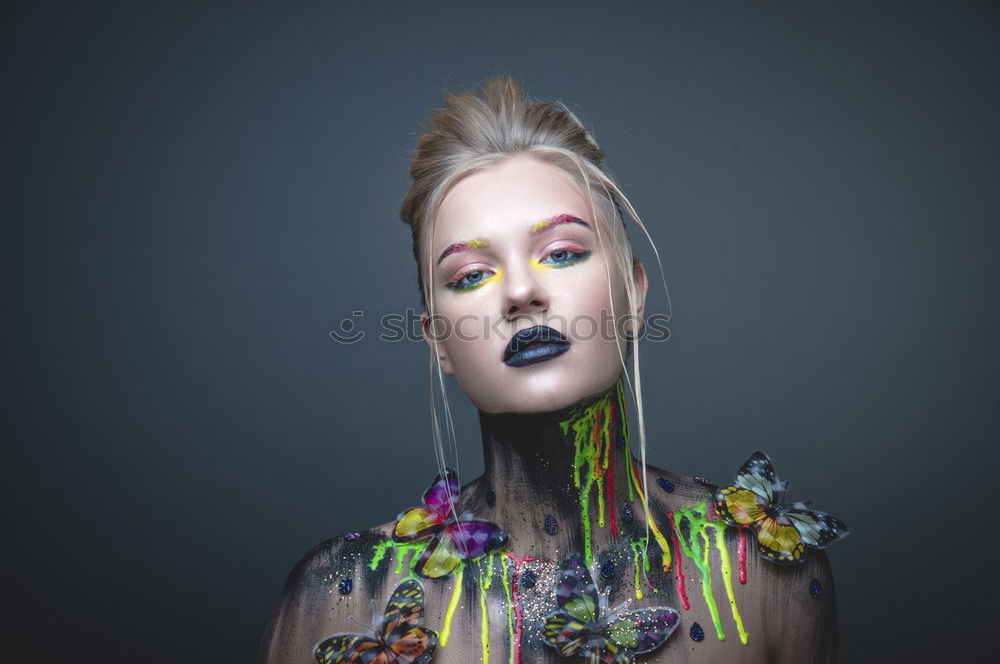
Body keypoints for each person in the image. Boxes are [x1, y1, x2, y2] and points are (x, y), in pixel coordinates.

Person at [258, 75, 845, 663]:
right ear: (439, 340)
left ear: (634, 296)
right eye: (470, 276)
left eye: (561, 253)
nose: (519, 291)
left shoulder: (765, 571)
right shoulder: (346, 593)